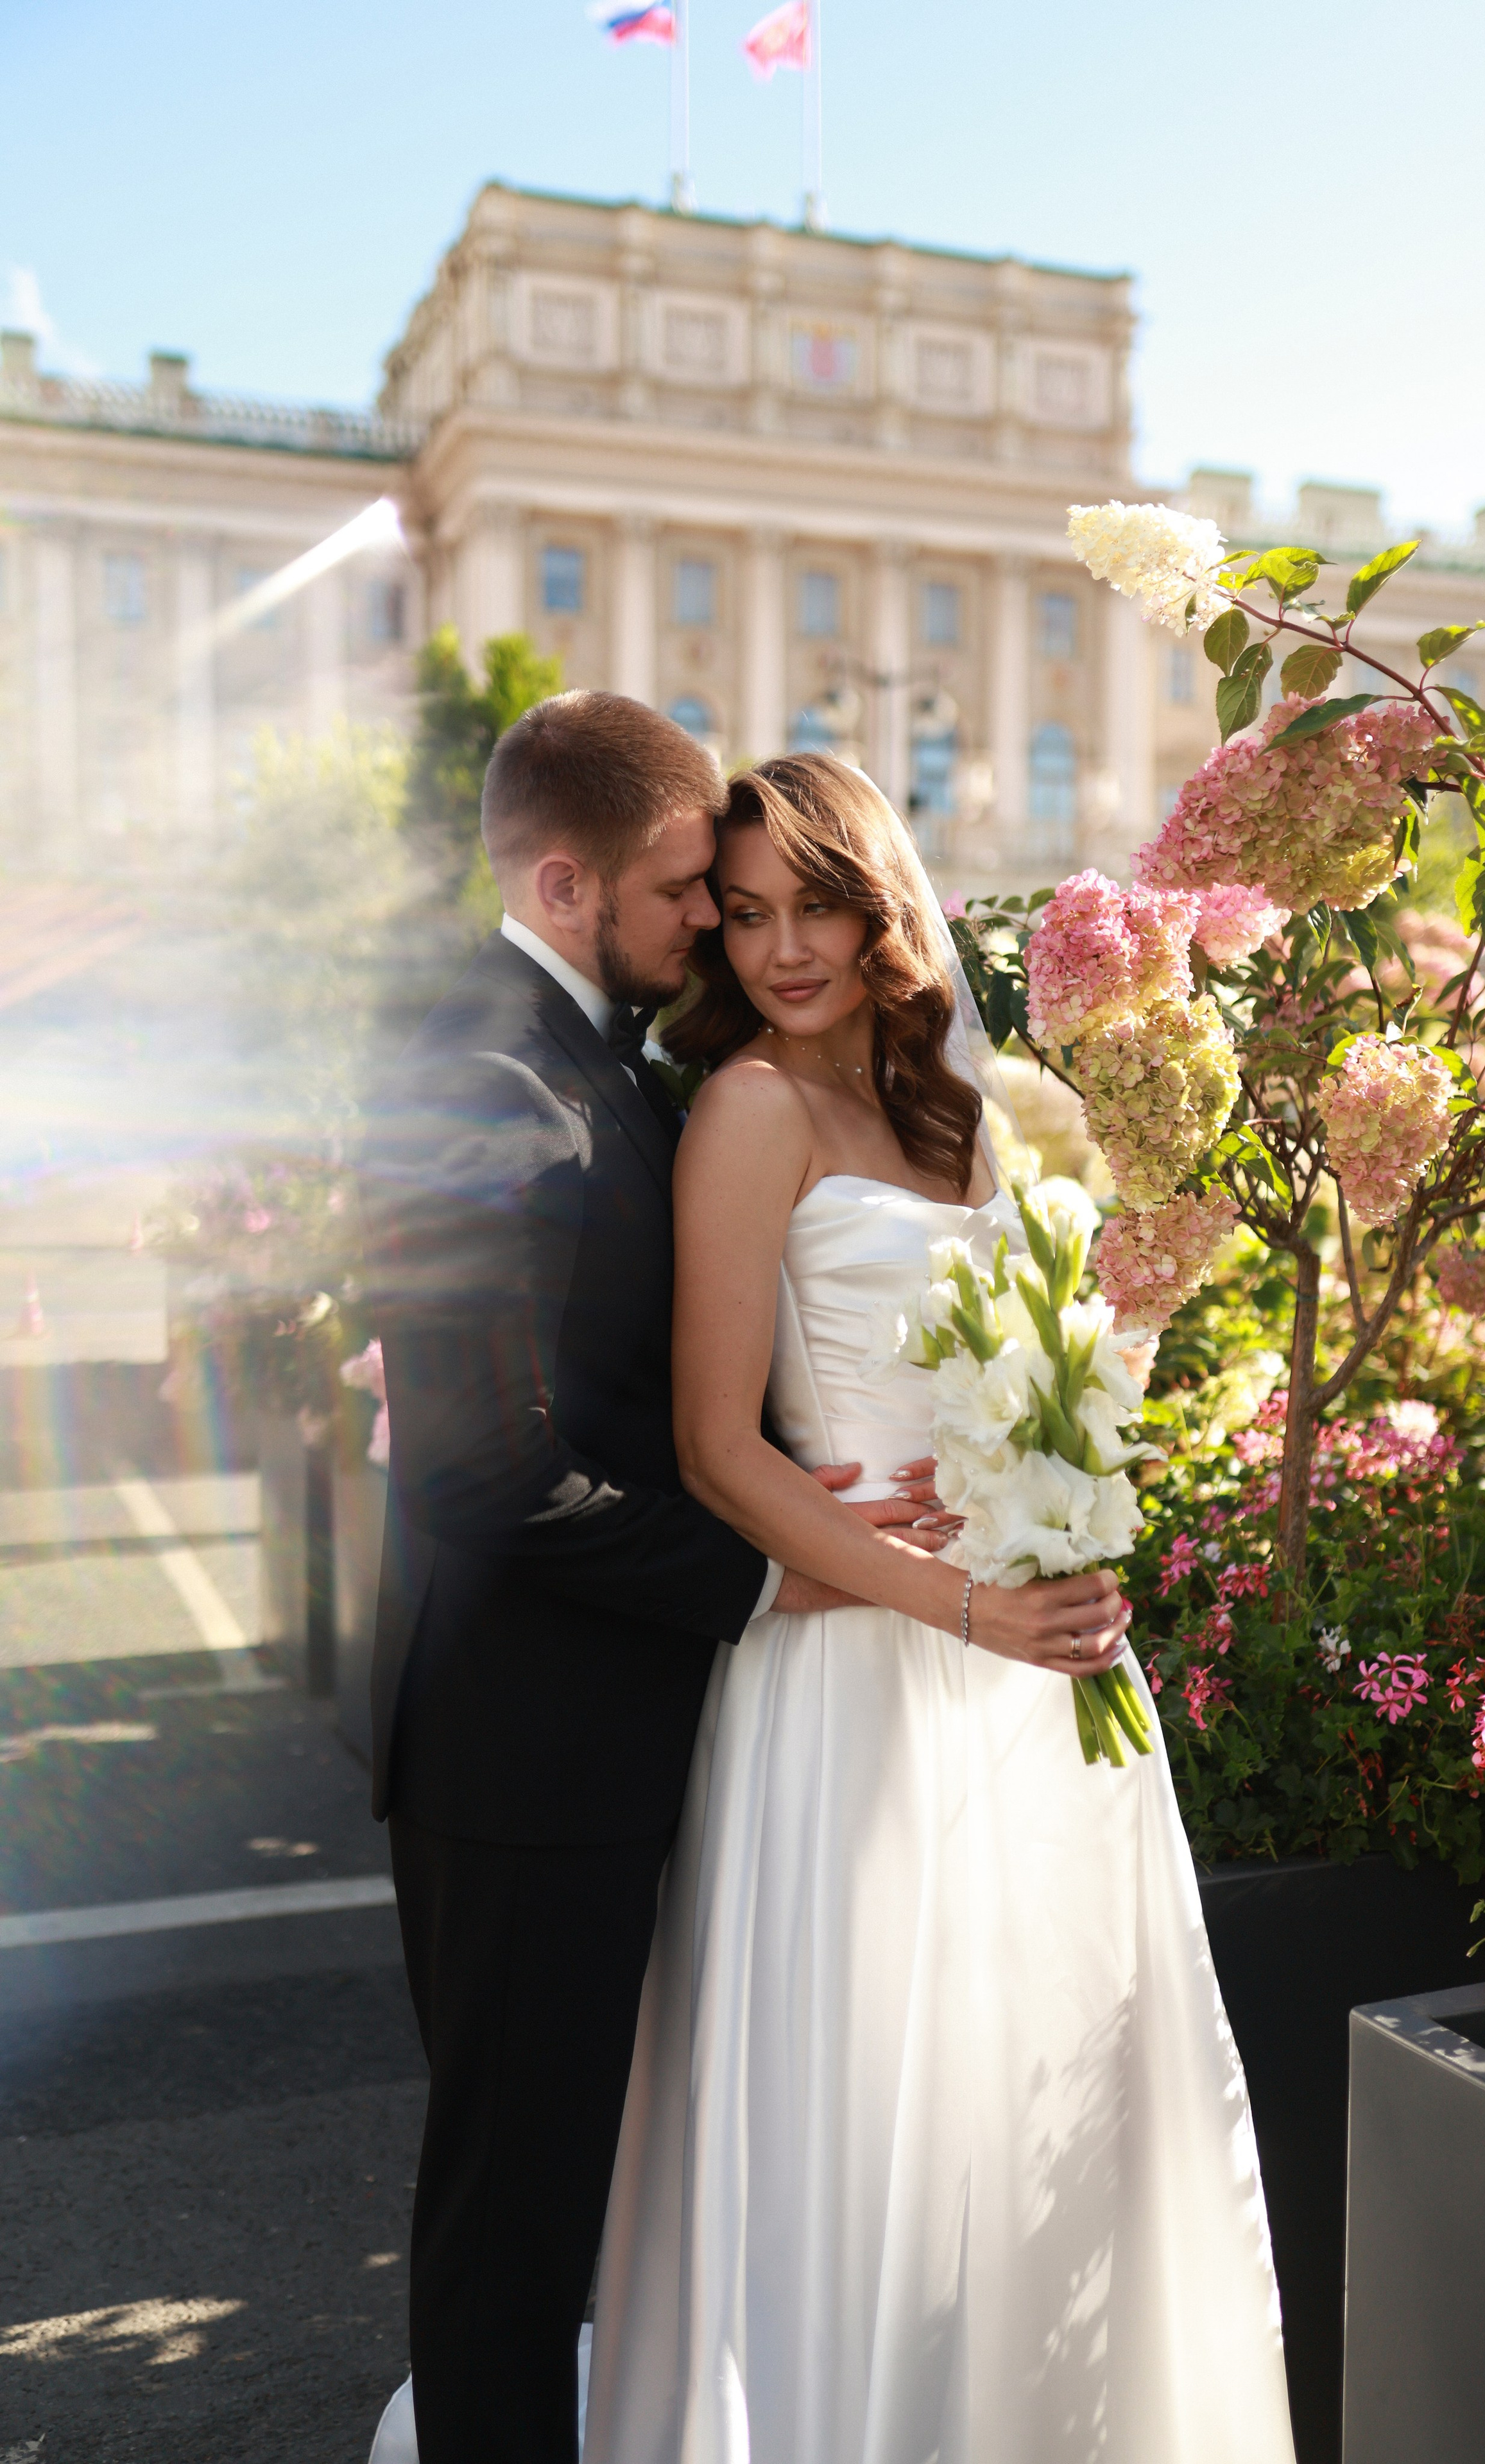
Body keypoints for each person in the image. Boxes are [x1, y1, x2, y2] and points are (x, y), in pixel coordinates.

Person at [357, 695, 1126, 2464]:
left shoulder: (613, 1063)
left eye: (773, 898)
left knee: (614, 2189)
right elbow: (487, 1470)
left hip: (644, 1725)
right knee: (515, 2215)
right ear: (571, 885)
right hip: (520, 1752)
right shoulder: (473, 1078)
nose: (719, 925)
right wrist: (791, 1576)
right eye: (695, 892)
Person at [581, 755, 1295, 2464]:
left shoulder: (969, 1110)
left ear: (877, 897)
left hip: (1036, 1671)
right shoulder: (749, 1111)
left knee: (1045, 2091)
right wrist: (950, 1601)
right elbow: (712, 1444)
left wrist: (1067, 1507)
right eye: (743, 915)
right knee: (877, 2113)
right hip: (857, 1679)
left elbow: (1059, 1364)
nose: (780, 949)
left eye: (812, 903)